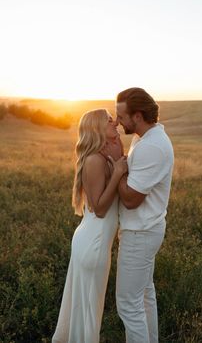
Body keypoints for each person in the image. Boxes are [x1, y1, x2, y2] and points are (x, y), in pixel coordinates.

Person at [52, 109, 127, 343]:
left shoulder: (103, 157)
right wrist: (116, 173)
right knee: (88, 314)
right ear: (97, 128)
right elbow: (100, 208)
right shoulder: (94, 160)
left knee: (84, 311)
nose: (114, 121)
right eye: (109, 119)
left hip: (93, 242)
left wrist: (117, 159)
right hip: (92, 245)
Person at [115, 88, 174, 343]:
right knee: (144, 296)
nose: (118, 122)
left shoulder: (152, 146)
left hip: (140, 233)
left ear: (137, 116)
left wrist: (117, 169)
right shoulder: (144, 138)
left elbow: (130, 200)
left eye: (121, 116)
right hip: (146, 229)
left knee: (128, 305)